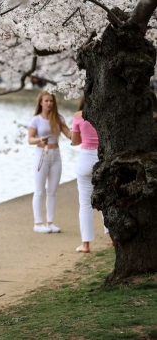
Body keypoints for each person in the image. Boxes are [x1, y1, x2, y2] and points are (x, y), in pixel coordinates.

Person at [27, 91, 70, 233]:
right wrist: (40, 139)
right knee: (39, 190)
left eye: (51, 101)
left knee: (52, 191)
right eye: (46, 101)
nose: (49, 103)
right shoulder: (36, 120)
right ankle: (38, 223)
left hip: (56, 155)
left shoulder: (58, 118)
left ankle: (50, 222)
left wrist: (79, 126)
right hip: (42, 154)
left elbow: (69, 134)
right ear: (41, 102)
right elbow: (30, 139)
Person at [71, 97, 107, 253]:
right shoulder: (104, 114)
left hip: (85, 159)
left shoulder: (78, 115)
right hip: (102, 158)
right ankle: (112, 236)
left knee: (85, 204)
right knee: (107, 199)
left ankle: (85, 245)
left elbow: (75, 141)